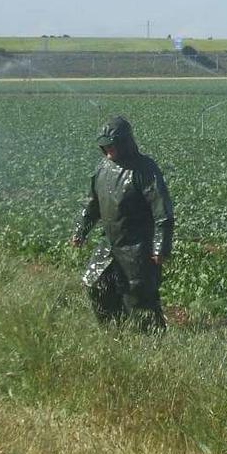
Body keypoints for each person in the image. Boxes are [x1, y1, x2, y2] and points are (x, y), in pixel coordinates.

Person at [70, 115, 174, 331]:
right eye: (105, 147)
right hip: (110, 242)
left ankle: (151, 341)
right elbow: (92, 204)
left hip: (137, 246)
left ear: (126, 143)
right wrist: (81, 229)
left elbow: (162, 210)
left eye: (113, 146)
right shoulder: (103, 168)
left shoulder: (145, 169)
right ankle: (114, 329)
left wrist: (160, 247)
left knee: (139, 297)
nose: (109, 152)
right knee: (95, 283)